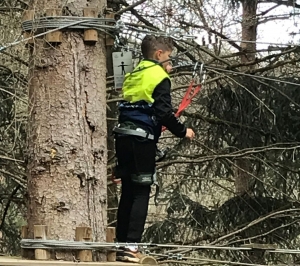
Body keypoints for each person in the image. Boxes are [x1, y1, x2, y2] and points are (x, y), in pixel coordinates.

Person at [113, 35, 195, 263]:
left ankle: (120, 244)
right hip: (141, 139)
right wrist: (183, 131)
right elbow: (164, 113)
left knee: (128, 190)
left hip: (123, 137)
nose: (169, 63)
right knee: (141, 190)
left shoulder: (134, 71)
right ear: (159, 54)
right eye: (168, 57)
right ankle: (131, 246)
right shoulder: (159, 76)